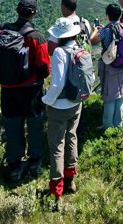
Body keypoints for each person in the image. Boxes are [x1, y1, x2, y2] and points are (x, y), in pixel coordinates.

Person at [0, 0, 51, 182]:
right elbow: (45, 68)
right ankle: (35, 162)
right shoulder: (36, 37)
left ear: (17, 10)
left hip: (8, 91)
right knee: (35, 126)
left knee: (12, 128)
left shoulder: (2, 31)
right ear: (34, 13)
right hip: (31, 91)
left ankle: (14, 167)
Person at [42, 17, 83, 201]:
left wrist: (47, 100)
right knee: (72, 138)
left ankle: (56, 191)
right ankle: (70, 181)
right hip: (76, 102)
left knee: (57, 145)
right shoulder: (78, 47)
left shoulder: (59, 52)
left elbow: (57, 84)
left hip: (59, 106)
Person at [47, 0, 92, 144]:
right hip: (81, 70)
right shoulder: (84, 22)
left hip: (65, 71)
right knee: (77, 104)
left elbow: (50, 50)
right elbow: (89, 43)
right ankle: (80, 133)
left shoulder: (61, 26)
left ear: (64, 7)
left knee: (65, 106)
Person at [90, 4, 123, 128]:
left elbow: (92, 41)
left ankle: (107, 125)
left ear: (107, 15)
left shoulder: (106, 30)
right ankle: (118, 124)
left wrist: (96, 30)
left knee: (109, 96)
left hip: (110, 67)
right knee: (119, 95)